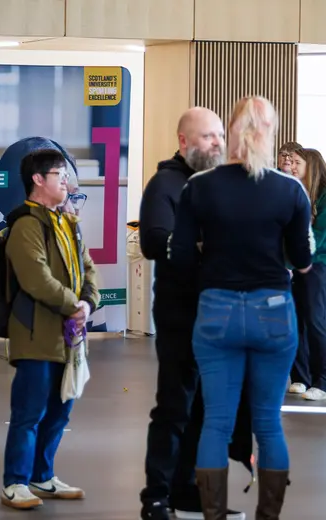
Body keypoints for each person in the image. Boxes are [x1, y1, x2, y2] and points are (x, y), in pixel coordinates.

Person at [168, 96, 312, 519]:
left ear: (229, 131)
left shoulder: (200, 187)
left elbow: (179, 262)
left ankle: (213, 514)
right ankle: (268, 515)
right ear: (270, 134)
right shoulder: (290, 189)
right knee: (267, 423)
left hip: (216, 310)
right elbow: (302, 260)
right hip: (273, 312)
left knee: (215, 420)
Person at [138, 107, 246, 520]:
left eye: (220, 135)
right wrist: (206, 245)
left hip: (220, 314)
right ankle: (157, 497)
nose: (217, 143)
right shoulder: (166, 183)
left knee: (206, 408)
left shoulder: (220, 186)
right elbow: (154, 241)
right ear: (184, 141)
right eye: (207, 137)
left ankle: (188, 490)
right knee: (175, 406)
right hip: (181, 315)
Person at [0, 149, 99, 511]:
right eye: (59, 174)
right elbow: (35, 278)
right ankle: (15, 482)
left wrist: (88, 303)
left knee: (61, 409)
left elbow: (89, 269)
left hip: (69, 334)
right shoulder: (26, 224)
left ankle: (42, 476)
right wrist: (75, 306)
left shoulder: (67, 222)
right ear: (38, 180)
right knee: (29, 411)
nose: (66, 181)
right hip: (36, 334)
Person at [287, 148, 326, 401]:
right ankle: (300, 378)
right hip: (295, 266)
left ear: (310, 166)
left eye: (297, 162)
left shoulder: (323, 198)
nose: (290, 166)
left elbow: (319, 238)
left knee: (315, 321)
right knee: (294, 321)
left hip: (317, 266)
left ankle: (321, 380)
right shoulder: (296, 194)